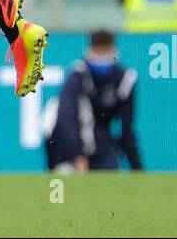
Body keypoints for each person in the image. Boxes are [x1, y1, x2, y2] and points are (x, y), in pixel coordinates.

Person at [46, 31, 142, 172]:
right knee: (66, 177)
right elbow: (65, 117)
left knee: (108, 173)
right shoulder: (79, 75)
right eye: (98, 52)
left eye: (106, 51)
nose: (102, 57)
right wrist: (76, 155)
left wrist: (137, 169)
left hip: (100, 137)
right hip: (65, 137)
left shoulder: (124, 79)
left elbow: (127, 129)